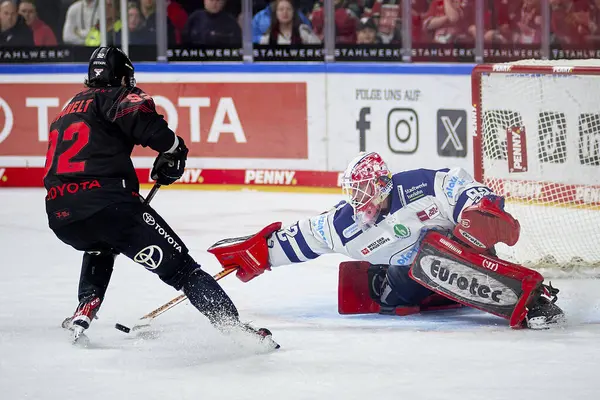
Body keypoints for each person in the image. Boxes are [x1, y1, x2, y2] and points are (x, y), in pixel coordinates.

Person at [47, 46, 278, 348]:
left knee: (99, 246)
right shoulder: (116, 96)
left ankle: (84, 309)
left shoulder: (68, 108)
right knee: (184, 270)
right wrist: (174, 149)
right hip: (111, 207)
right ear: (121, 75)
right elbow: (151, 128)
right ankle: (235, 330)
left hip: (61, 215)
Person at [208, 152, 565, 330]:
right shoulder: (343, 223)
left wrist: (479, 206)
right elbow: (303, 237)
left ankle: (529, 297)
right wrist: (260, 253)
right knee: (426, 262)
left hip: (465, 258)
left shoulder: (419, 185)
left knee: (438, 252)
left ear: (381, 184)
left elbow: (460, 187)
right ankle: (386, 284)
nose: (357, 198)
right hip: (408, 282)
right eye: (352, 190)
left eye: (363, 189)